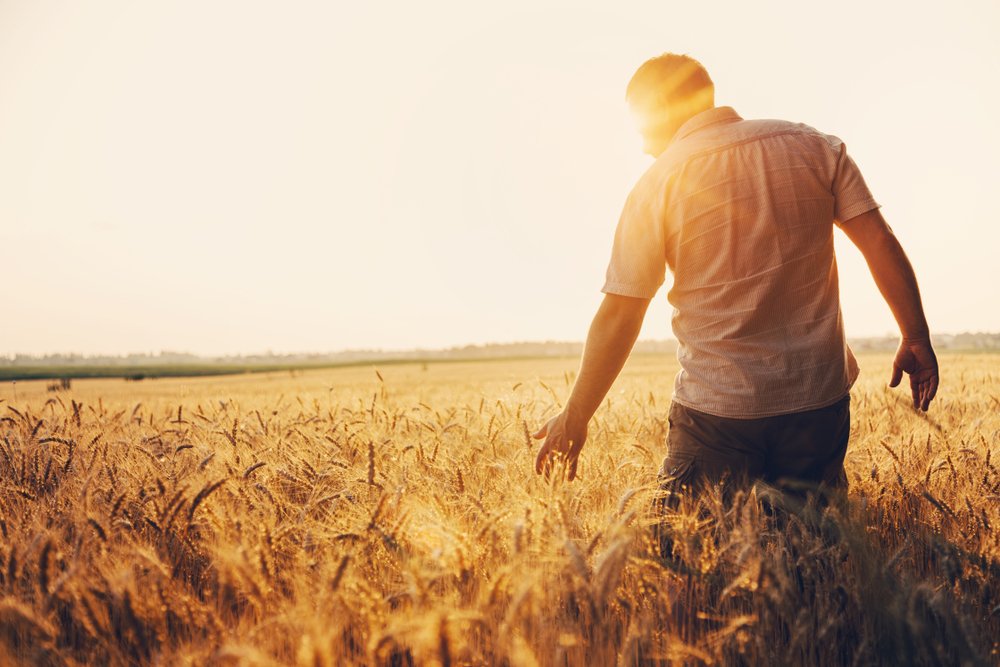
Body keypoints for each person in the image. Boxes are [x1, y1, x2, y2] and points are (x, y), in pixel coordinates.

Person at [532, 53, 938, 501]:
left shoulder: (657, 183)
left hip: (716, 412)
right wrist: (915, 334)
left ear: (662, 108)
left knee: (695, 555)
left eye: (640, 121)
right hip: (817, 403)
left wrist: (575, 417)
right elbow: (878, 240)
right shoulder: (816, 147)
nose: (642, 142)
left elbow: (621, 312)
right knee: (815, 555)